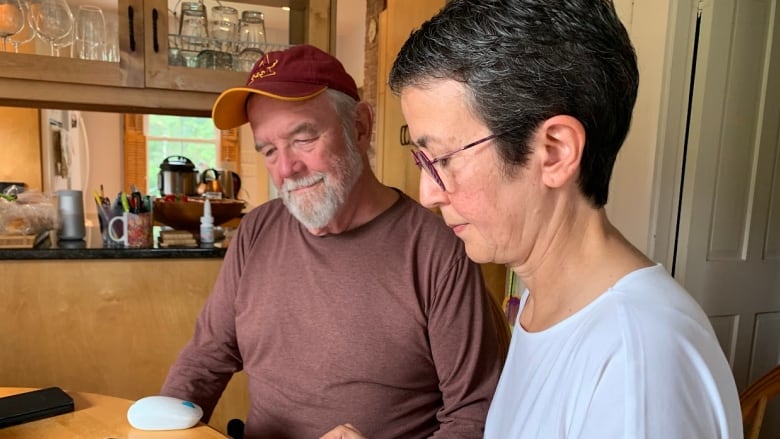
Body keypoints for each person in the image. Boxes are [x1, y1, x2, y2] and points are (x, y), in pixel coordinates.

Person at [321, 0, 743, 438]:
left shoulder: (639, 365)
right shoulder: (540, 303)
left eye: (442, 159)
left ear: (555, 152)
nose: (428, 193)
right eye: (423, 162)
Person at [160, 44, 505, 439]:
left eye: (303, 139)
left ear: (359, 126)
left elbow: (473, 415)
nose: (286, 168)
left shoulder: (436, 252)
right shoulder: (255, 231)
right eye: (270, 151)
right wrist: (166, 424)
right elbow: (207, 357)